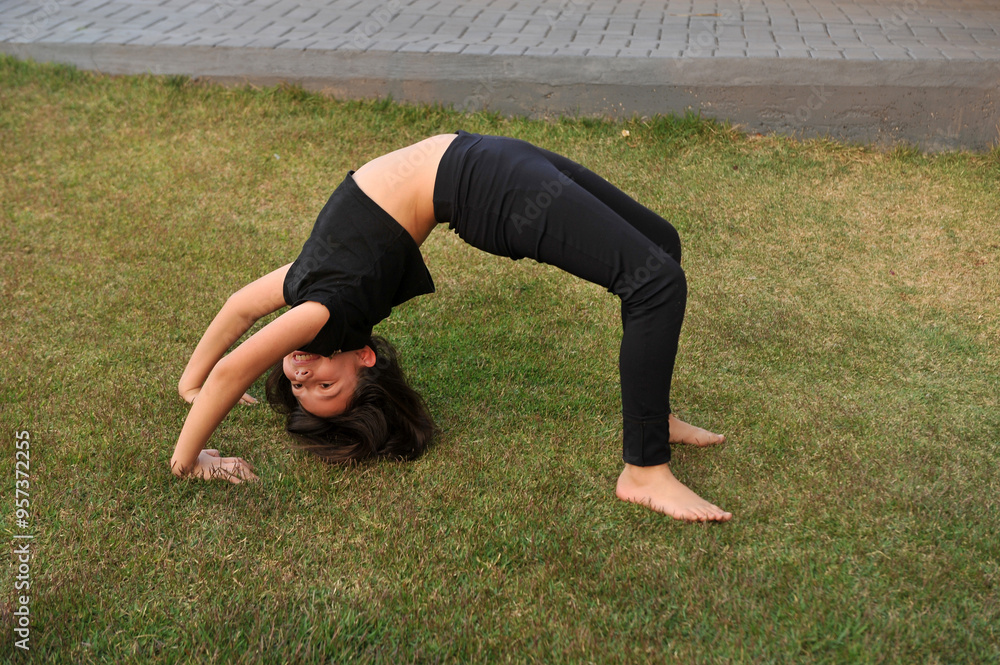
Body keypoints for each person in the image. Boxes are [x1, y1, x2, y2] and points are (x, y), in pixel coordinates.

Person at [170, 131, 732, 523]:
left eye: (304, 386)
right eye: (323, 386)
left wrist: (190, 407)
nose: (302, 374)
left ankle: (654, 419)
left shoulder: (313, 296)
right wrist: (195, 443)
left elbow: (237, 327)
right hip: (485, 189)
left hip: (482, 157)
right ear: (362, 356)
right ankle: (644, 471)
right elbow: (236, 358)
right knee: (655, 282)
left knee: (660, 246)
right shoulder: (327, 309)